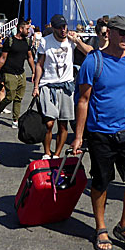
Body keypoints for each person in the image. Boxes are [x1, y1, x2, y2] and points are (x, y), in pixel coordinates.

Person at [72, 15, 125, 250]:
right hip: (100, 133)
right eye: (122, 33)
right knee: (101, 181)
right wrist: (78, 136)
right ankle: (100, 227)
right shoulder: (94, 61)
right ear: (109, 33)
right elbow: (83, 100)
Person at [32, 14, 80, 159]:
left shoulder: (71, 41)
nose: (62, 30)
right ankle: (47, 152)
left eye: (64, 27)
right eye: (59, 27)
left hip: (66, 86)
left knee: (63, 124)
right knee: (49, 123)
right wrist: (36, 86)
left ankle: (57, 154)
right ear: (53, 28)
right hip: (48, 85)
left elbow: (89, 51)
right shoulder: (45, 42)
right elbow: (39, 64)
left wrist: (76, 39)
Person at [0, 20, 35, 128]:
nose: (29, 31)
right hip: (9, 73)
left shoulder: (27, 42)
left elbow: (30, 58)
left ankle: (15, 120)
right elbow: (2, 58)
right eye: (27, 29)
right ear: (21, 29)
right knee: (10, 97)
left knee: (18, 98)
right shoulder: (10, 41)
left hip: (21, 74)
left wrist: (34, 72)